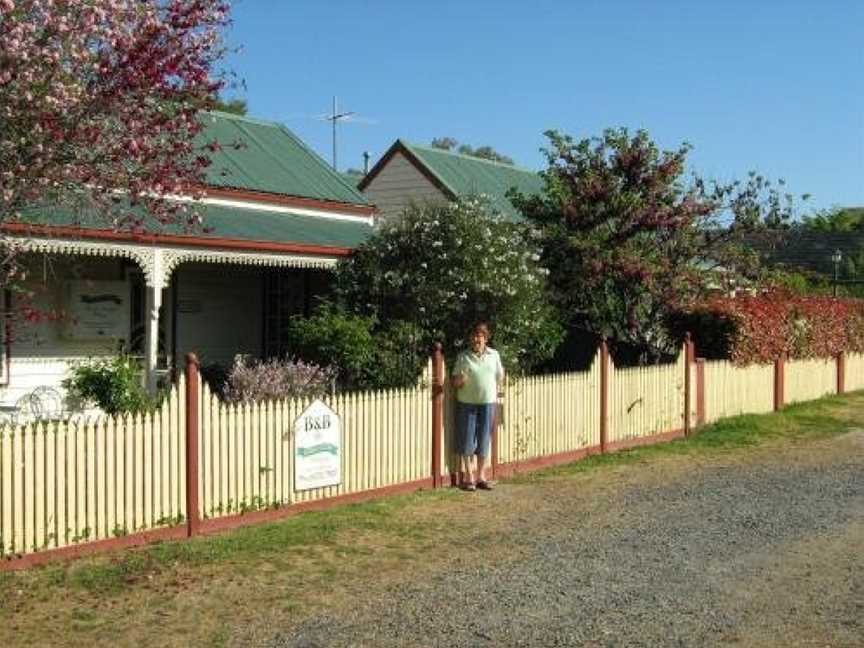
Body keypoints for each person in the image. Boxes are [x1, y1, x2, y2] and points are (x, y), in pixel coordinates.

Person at [451, 321, 504, 491]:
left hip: (488, 403)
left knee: (483, 439)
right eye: (474, 336)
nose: (476, 339)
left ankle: (481, 476)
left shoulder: (494, 355)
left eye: (480, 336)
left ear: (485, 338)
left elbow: (499, 376)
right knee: (467, 440)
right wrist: (460, 380)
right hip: (467, 403)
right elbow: (454, 381)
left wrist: (497, 393)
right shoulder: (463, 356)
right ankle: (469, 477)